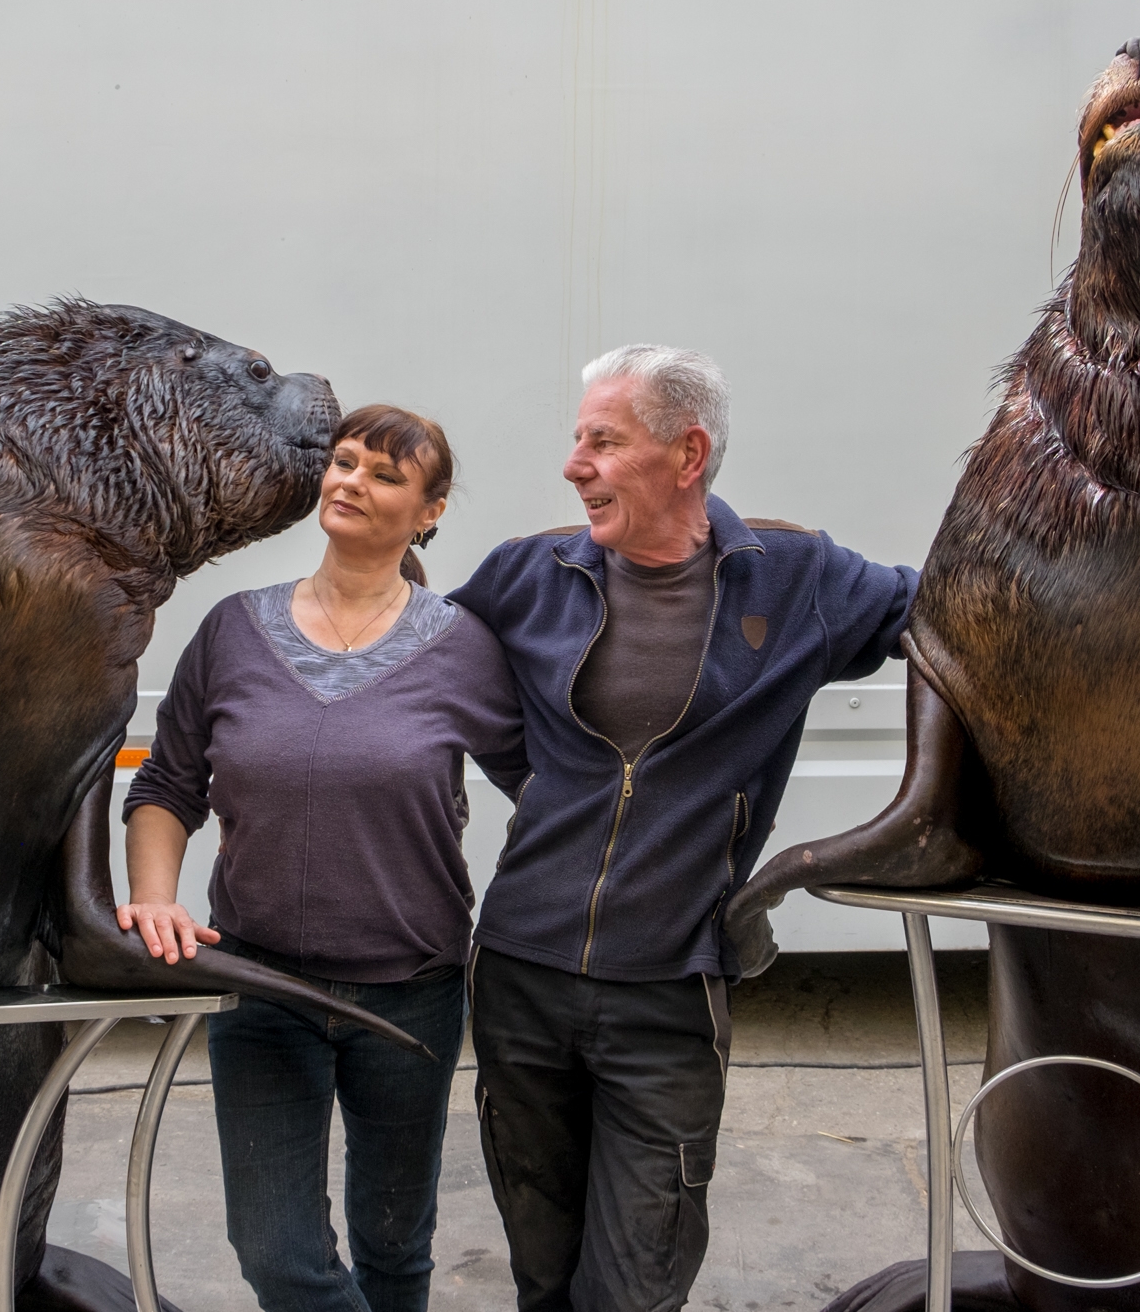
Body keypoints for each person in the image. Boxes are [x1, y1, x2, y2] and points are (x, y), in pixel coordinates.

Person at [448, 345, 916, 1311]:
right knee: (543, 1272)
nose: (574, 464)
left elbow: (966, 612)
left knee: (635, 1282)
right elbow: (413, 677)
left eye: (603, 441)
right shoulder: (525, 575)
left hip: (669, 990)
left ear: (688, 451)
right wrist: (535, 788)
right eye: (577, 440)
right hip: (520, 976)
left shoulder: (796, 581)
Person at [119, 404, 526, 1312]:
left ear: (432, 510)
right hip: (260, 989)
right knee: (278, 1255)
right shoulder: (233, 629)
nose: (351, 481)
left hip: (412, 993)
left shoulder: (462, 646)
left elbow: (543, 789)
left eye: (385, 474)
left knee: (394, 1248)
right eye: (343, 462)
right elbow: (166, 788)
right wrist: (156, 899)